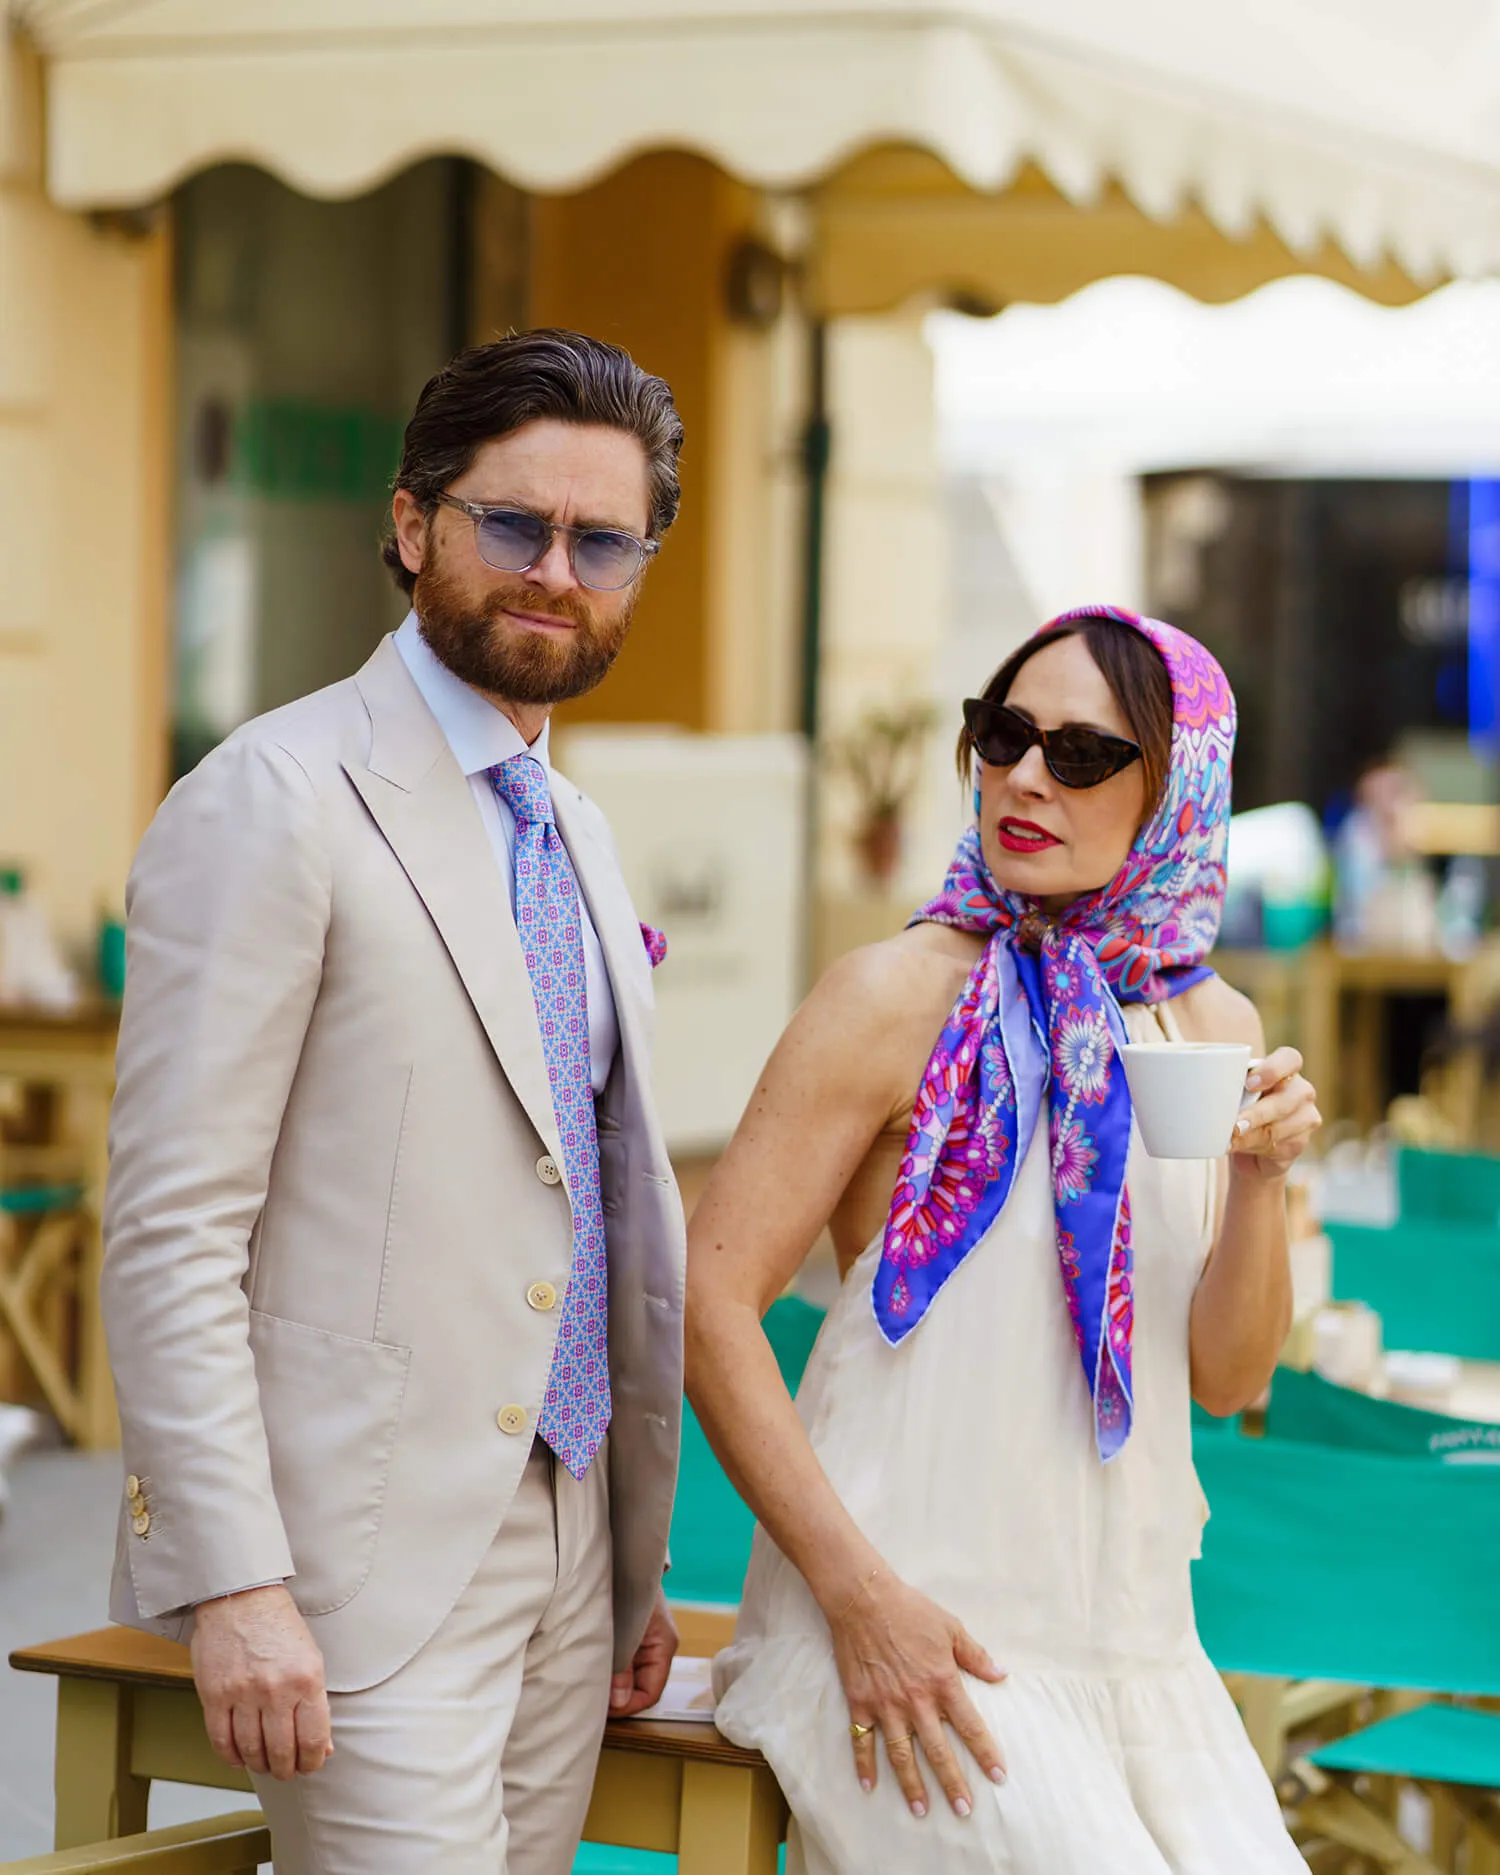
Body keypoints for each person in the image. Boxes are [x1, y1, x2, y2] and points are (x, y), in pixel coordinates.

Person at [101, 330, 687, 1875]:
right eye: (516, 523)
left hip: (570, 1548)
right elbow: (170, 1227)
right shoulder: (275, 796)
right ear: (416, 522)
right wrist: (232, 1578)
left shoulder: (578, 825)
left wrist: (625, 1559)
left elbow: (593, 1194)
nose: (557, 569)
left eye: (601, 539)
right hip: (351, 1558)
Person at [690, 605, 1319, 1873]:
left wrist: (1263, 1178)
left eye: (1084, 754)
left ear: (1178, 790)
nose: (1027, 775)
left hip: (1134, 1654)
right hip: (906, 1638)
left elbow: (1232, 1379)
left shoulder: (1215, 1019)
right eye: (1005, 733)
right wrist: (859, 1603)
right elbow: (706, 1305)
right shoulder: (892, 995)